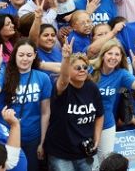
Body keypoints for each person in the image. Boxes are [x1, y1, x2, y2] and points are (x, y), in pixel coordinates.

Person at [0, 38, 52, 171]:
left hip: (32, 137)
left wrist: (42, 142)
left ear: (35, 55)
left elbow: (45, 112)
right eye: (21, 55)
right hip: (6, 136)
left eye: (29, 55)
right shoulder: (4, 73)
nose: (25, 59)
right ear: (14, 55)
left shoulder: (43, 77)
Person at [43, 39, 104, 171]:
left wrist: (97, 139)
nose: (82, 70)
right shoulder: (62, 88)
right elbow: (64, 79)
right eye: (77, 68)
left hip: (85, 151)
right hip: (61, 153)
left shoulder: (92, 88)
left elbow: (99, 115)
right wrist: (66, 59)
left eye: (85, 67)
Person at [89, 39, 135, 160]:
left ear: (121, 58)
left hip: (107, 124)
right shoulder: (91, 69)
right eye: (110, 53)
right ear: (103, 55)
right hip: (86, 122)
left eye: (117, 54)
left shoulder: (121, 74)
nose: (113, 57)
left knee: (105, 161)